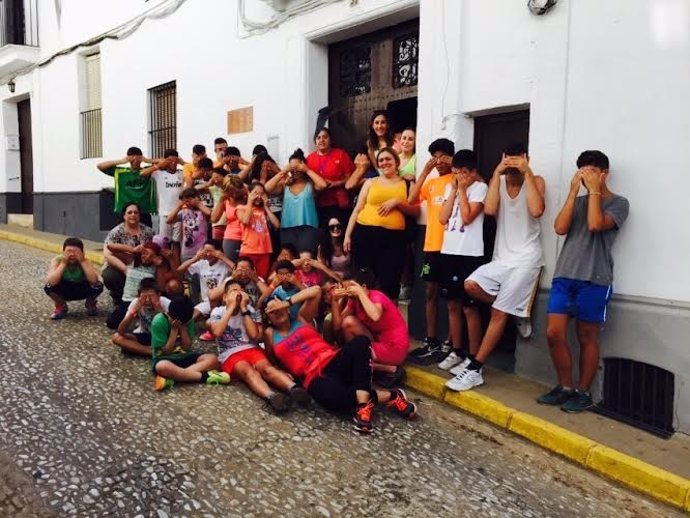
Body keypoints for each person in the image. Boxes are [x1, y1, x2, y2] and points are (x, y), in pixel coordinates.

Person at [447, 143, 546, 392]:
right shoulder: (498, 182)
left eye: (518, 159)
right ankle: (516, 310)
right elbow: (490, 210)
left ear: (526, 158)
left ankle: (475, 368)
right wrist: (496, 173)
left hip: (527, 258)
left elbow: (537, 210)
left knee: (499, 312)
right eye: (509, 159)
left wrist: (528, 172)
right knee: (470, 284)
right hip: (502, 257)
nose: (513, 164)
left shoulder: (537, 180)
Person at [538, 151, 629, 413]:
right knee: (554, 333)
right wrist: (572, 193)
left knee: (587, 336)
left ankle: (583, 391)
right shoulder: (576, 202)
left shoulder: (619, 203)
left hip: (595, 278)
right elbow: (559, 228)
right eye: (582, 171)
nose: (585, 177)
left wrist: (594, 191)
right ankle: (564, 387)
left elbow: (594, 224)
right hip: (565, 275)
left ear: (604, 174)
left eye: (590, 172)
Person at [264, 286, 417, 434]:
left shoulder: (301, 318)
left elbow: (316, 290)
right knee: (337, 402)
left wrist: (286, 301)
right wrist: (283, 372)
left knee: (362, 342)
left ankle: (363, 408)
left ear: (285, 307)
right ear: (267, 317)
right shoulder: (270, 334)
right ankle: (392, 396)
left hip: (334, 360)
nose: (276, 312)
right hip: (313, 377)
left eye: (277, 307)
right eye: (271, 311)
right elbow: (273, 361)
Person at [209, 281, 310, 413]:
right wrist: (230, 308)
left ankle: (294, 389)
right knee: (248, 371)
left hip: (251, 348)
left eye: (241, 290)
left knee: (266, 368)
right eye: (234, 290)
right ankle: (271, 397)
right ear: (225, 296)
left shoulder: (251, 311)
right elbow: (217, 332)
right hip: (230, 353)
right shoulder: (218, 311)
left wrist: (244, 310)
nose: (239, 293)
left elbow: (254, 335)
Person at [435, 150, 488, 373]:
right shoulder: (451, 187)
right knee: (452, 304)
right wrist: (455, 189)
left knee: (469, 308)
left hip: (470, 253)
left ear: (474, 172)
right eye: (456, 172)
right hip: (449, 251)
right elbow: (442, 218)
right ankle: (456, 350)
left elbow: (467, 217)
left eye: (464, 173)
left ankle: (473, 355)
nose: (459, 176)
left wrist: (464, 191)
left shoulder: (481, 189)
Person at [344, 147, 419, 300]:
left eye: (388, 159)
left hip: (393, 240)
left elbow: (416, 211)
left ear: (397, 162)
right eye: (381, 160)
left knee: (389, 283)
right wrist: (347, 236)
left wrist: (397, 202)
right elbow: (357, 209)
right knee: (364, 283)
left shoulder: (407, 184)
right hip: (365, 235)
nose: (384, 162)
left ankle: (389, 320)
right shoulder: (370, 182)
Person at [406, 138, 456, 364]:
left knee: (453, 297)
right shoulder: (432, 182)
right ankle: (431, 339)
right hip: (431, 245)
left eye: (443, 156)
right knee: (430, 293)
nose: (439, 161)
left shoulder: (458, 178)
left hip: (454, 247)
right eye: (435, 156)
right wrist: (425, 171)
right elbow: (411, 198)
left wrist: (454, 165)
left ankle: (451, 343)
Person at [330, 268, 409, 386]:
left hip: (393, 347)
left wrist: (360, 292)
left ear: (363, 286)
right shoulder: (353, 300)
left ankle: (390, 369)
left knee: (348, 358)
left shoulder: (376, 296)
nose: (347, 292)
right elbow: (338, 326)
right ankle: (364, 361)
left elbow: (375, 316)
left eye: (350, 289)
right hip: (376, 342)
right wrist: (335, 302)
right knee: (348, 323)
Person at [151, 295, 230, 391]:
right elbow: (166, 351)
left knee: (213, 359)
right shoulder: (159, 321)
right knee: (162, 367)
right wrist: (174, 330)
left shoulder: (188, 319)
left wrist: (183, 328)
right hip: (165, 358)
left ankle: (175, 379)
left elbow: (187, 347)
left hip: (184, 356)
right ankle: (205, 377)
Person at [265, 149, 327, 254]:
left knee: (305, 260)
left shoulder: (310, 183)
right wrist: (283, 172)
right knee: (289, 261)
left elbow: (323, 185)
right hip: (287, 229)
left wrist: (307, 170)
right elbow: (267, 188)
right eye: (292, 168)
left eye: (297, 167)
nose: (294, 170)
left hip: (309, 228)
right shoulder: (286, 184)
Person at [177, 239, 235, 338]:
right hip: (207, 302)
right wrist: (195, 258)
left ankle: (212, 324)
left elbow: (237, 271)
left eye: (211, 251)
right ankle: (184, 333)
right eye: (205, 251)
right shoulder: (202, 263)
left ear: (218, 251)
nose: (208, 254)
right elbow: (180, 270)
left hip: (223, 301)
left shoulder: (224, 264)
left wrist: (222, 257)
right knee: (190, 318)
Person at [102, 203, 155, 305]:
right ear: (124, 216)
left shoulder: (149, 232)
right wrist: (125, 269)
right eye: (129, 212)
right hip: (120, 265)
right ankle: (117, 296)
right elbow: (108, 254)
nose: (133, 215)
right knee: (110, 276)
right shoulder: (116, 232)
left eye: (136, 212)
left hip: (143, 266)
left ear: (139, 215)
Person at [44, 237, 103, 320]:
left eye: (76, 252)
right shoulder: (57, 260)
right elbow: (52, 282)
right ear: (63, 252)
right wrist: (64, 263)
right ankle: (61, 306)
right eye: (69, 251)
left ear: (82, 253)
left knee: (98, 285)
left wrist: (82, 262)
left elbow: (94, 280)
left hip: (81, 288)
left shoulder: (85, 260)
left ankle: (90, 303)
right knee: (48, 286)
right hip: (65, 289)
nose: (72, 255)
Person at [306, 127, 355, 226]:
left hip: (338, 204)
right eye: (318, 138)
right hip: (317, 205)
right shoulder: (309, 158)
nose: (321, 140)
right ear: (315, 141)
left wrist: (336, 183)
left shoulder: (341, 154)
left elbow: (352, 177)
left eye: (325, 137)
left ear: (330, 139)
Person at [97, 147, 157, 226]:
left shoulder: (147, 171)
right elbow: (100, 166)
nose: (135, 161)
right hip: (124, 213)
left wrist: (147, 160)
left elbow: (165, 162)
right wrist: (122, 161)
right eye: (132, 159)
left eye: (138, 158)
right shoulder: (120, 172)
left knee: (146, 237)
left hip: (143, 212)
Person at [112, 277, 170, 357]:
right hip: (145, 335)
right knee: (116, 337)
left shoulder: (166, 303)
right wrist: (133, 312)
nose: (147, 300)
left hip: (162, 337)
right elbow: (121, 330)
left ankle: (139, 350)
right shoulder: (136, 303)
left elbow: (173, 329)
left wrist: (160, 312)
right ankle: (151, 352)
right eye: (144, 297)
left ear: (159, 295)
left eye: (151, 296)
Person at [140, 149, 185, 252]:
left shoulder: (181, 173)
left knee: (177, 241)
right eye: (170, 160)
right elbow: (142, 174)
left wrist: (182, 162)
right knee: (164, 241)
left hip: (180, 213)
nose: (173, 163)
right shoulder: (158, 173)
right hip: (164, 213)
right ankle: (166, 264)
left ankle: (176, 265)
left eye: (175, 161)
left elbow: (195, 169)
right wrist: (158, 165)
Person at [237, 182, 280, 280]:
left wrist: (266, 207)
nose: (259, 196)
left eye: (261, 194)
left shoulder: (263, 210)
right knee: (245, 279)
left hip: (265, 251)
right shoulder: (240, 208)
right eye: (255, 193)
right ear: (249, 193)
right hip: (248, 250)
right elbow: (245, 220)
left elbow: (277, 224)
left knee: (261, 279)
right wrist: (249, 201)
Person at [166, 188, 212, 261]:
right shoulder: (184, 212)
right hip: (186, 252)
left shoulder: (202, 211)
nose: (187, 203)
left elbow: (209, 213)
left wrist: (198, 203)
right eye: (185, 201)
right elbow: (168, 220)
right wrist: (178, 206)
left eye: (189, 200)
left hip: (201, 251)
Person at [212, 174, 247, 263]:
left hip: (249, 237)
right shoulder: (225, 200)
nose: (234, 194)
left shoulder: (247, 198)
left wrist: (248, 192)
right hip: (232, 237)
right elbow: (214, 219)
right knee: (233, 267)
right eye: (231, 191)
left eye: (236, 190)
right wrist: (221, 200)